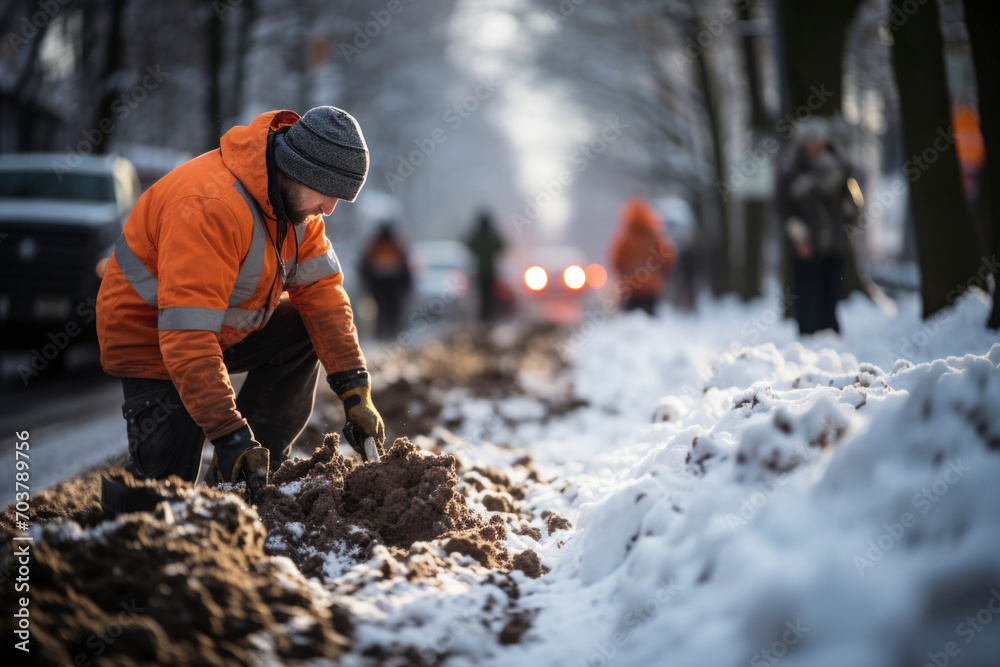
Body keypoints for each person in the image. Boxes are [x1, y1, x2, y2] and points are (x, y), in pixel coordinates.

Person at [96, 106, 386, 512]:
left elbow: (324, 296)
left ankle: (249, 477)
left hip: (215, 330)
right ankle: (105, 534)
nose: (330, 209)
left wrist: (355, 389)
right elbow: (187, 336)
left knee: (305, 325)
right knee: (164, 495)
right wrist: (228, 433)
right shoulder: (209, 205)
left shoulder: (296, 209)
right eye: (328, 192)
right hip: (152, 339)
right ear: (297, 169)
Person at [776, 125, 861, 334]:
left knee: (832, 291)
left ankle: (830, 331)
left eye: (821, 141)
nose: (818, 146)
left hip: (835, 243)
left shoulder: (840, 172)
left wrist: (851, 212)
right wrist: (799, 239)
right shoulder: (791, 176)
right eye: (813, 142)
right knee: (806, 292)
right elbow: (784, 210)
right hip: (807, 245)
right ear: (803, 146)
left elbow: (854, 203)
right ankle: (807, 333)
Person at [609, 196, 678, 315]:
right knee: (649, 319)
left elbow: (615, 261)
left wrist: (624, 276)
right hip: (651, 287)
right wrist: (661, 274)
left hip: (630, 287)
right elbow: (668, 257)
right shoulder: (655, 237)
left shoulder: (624, 239)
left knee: (631, 320)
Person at [360, 222, 412, 339]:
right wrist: (407, 287)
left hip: (379, 287)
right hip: (393, 288)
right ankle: (391, 338)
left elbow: (364, 269)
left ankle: (383, 338)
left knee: (382, 314)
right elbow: (406, 270)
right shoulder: (396, 246)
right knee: (392, 314)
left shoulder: (375, 246)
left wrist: (366, 287)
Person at [464, 212, 505, 321]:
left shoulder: (478, 237)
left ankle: (484, 315)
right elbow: (501, 246)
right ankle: (489, 315)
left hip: (481, 271)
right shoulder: (491, 238)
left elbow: (468, 243)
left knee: (483, 294)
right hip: (489, 271)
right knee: (489, 294)